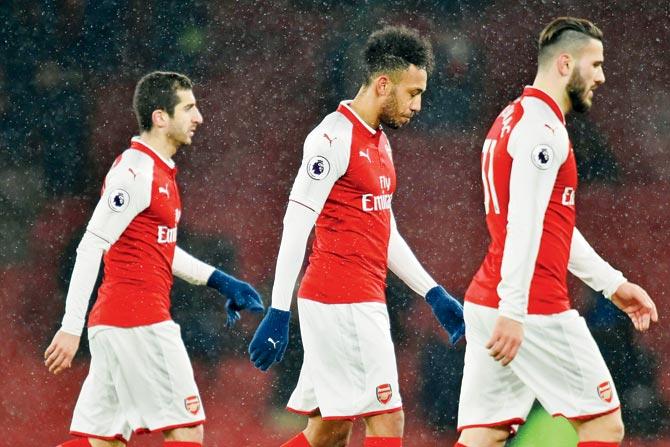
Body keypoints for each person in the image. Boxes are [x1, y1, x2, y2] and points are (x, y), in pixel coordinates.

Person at [248, 26, 465, 447]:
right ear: (383, 84)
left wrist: (433, 293)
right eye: (412, 92)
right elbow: (296, 222)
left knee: (329, 431)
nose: (418, 105)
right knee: (388, 420)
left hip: (355, 297)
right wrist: (278, 311)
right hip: (341, 298)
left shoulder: (379, 142)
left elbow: (383, 229)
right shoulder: (332, 138)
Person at [455, 17, 658, 447]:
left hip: (489, 298)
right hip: (532, 306)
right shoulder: (542, 133)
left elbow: (552, 227)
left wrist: (612, 285)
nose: (602, 77)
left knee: (482, 436)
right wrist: (515, 310)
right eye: (596, 64)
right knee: (604, 425)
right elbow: (524, 223)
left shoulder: (512, 118)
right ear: (565, 64)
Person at [44, 71, 264, 447]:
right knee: (187, 429)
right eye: (189, 108)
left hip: (117, 324)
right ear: (160, 117)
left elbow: (159, 250)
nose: (199, 118)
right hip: (138, 320)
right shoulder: (135, 173)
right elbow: (91, 244)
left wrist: (221, 281)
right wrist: (70, 326)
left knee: (102, 441)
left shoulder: (157, 171)